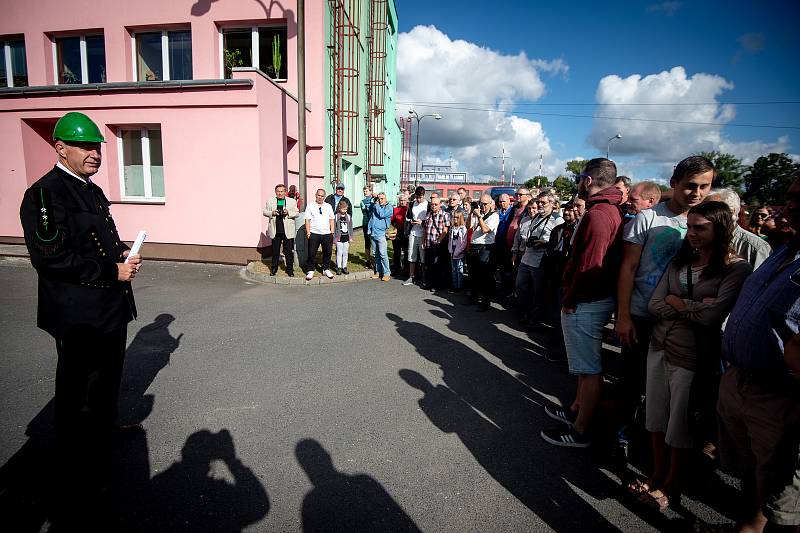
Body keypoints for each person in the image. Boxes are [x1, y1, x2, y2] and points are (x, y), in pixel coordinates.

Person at [19, 112, 142, 441]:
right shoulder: (45, 194)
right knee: (78, 385)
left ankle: (104, 431)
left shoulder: (91, 189)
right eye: (85, 147)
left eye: (98, 148)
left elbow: (99, 239)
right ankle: (76, 453)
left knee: (108, 377)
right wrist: (113, 270)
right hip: (78, 314)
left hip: (109, 307)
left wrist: (122, 253)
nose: (95, 154)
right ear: (60, 148)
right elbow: (51, 258)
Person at [630, 202, 751, 511]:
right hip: (659, 347)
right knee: (655, 417)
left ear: (721, 229)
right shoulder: (680, 262)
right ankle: (657, 474)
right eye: (691, 227)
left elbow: (713, 316)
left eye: (701, 228)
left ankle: (672, 484)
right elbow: (654, 305)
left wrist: (680, 303)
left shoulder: (735, 268)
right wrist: (692, 305)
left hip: (692, 356)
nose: (692, 233)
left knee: (679, 424)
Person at [715, 175, 800, 533]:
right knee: (751, 470)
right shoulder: (785, 248)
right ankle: (748, 526)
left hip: (781, 394)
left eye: (798, 199)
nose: (788, 205)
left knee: (784, 495)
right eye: (789, 197)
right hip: (741, 378)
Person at [614, 155, 715, 442]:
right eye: (690, 186)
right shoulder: (648, 217)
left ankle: (653, 443)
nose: (696, 193)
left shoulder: (705, 222)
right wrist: (623, 315)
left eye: (704, 187)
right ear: (674, 183)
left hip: (683, 321)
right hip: (642, 316)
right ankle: (617, 437)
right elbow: (628, 268)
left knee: (669, 389)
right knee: (632, 382)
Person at [540, 158, 624, 448]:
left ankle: (580, 429)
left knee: (589, 370)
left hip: (587, 301)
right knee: (583, 367)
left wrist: (571, 298)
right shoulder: (606, 209)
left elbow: (591, 264)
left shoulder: (599, 214)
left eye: (580, 179)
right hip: (590, 299)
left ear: (588, 181)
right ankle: (575, 408)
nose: (578, 184)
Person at [512, 190, 563, 327]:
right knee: (520, 287)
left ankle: (534, 320)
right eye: (539, 202)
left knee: (538, 293)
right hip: (526, 257)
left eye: (543, 202)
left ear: (552, 203)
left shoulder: (557, 220)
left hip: (541, 261)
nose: (540, 205)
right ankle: (525, 313)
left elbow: (558, 244)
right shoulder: (536, 217)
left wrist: (544, 243)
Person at [705, 188, 772, 270]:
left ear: (731, 212)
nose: (704, 213)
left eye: (711, 209)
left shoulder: (756, 247)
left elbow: (758, 280)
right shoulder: (697, 238)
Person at [467, 194, 500, 311]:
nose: (483, 206)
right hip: (474, 245)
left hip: (485, 247)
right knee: (473, 274)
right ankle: (473, 298)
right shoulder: (478, 213)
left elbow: (486, 230)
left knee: (485, 276)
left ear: (491, 204)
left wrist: (479, 216)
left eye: (485, 204)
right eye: (481, 203)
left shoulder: (494, 216)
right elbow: (468, 227)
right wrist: (472, 213)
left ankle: (485, 302)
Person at [263, 183, 299, 276]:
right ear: (275, 192)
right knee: (275, 252)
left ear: (285, 192)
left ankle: (290, 270)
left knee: (288, 252)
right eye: (278, 191)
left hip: (287, 230)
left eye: (282, 191)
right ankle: (273, 269)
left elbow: (297, 213)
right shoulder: (270, 201)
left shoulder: (291, 201)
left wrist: (288, 212)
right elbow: (264, 212)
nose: (280, 193)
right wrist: (272, 213)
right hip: (276, 230)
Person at [304, 189, 335, 280]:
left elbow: (331, 219)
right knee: (312, 253)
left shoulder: (328, 206)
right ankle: (310, 270)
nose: (320, 197)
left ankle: (326, 269)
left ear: (324, 197)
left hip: (326, 233)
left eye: (322, 196)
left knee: (328, 252)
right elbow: (307, 220)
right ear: (316, 195)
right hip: (314, 233)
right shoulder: (310, 206)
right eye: (318, 195)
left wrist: (332, 232)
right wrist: (308, 232)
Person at [422, 196, 450, 291]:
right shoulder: (428, 214)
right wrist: (423, 241)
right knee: (429, 265)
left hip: (438, 245)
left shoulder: (445, 215)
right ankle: (429, 283)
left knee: (437, 265)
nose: (433, 206)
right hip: (429, 243)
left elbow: (446, 230)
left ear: (440, 205)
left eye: (435, 204)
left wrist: (439, 241)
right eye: (432, 204)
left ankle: (436, 285)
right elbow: (425, 229)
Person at [403, 186, 429, 286]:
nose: (418, 199)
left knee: (423, 257)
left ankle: (423, 277)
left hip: (423, 234)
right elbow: (408, 218)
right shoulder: (412, 204)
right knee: (411, 255)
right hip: (413, 233)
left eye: (420, 197)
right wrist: (411, 222)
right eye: (417, 197)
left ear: (424, 195)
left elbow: (430, 219)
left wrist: (422, 222)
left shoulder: (428, 205)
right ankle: (411, 276)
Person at [368, 192, 393, 281]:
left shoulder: (389, 207)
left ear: (386, 199)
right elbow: (372, 217)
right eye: (379, 199)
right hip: (373, 233)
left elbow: (382, 214)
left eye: (382, 198)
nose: (380, 200)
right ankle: (378, 272)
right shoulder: (376, 206)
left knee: (383, 254)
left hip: (381, 234)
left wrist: (377, 205)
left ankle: (386, 273)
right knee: (376, 254)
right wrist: (369, 229)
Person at [494, 193, 516, 296]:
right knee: (501, 269)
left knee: (508, 270)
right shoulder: (498, 212)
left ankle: (508, 290)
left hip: (508, 246)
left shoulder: (513, 212)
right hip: (498, 245)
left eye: (504, 201)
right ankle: (502, 288)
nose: (502, 203)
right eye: (500, 201)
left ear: (509, 201)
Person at [448, 210, 468, 293]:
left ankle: (459, 287)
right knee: (453, 269)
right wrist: (450, 249)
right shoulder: (452, 227)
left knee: (460, 270)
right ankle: (454, 285)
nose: (455, 219)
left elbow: (464, 242)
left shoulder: (463, 228)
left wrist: (459, 251)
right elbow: (450, 239)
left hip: (459, 252)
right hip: (452, 251)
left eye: (457, 217)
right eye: (454, 217)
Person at [333, 199, 353, 275]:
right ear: (339, 208)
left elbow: (350, 227)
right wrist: (335, 238)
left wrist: (350, 237)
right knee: (339, 253)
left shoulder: (348, 216)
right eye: (343, 209)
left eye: (346, 209)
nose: (345, 210)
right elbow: (334, 228)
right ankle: (339, 267)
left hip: (346, 238)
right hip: (339, 238)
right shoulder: (336, 216)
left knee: (345, 253)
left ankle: (344, 267)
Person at [391, 193, 409, 276]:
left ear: (407, 201)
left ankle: (406, 268)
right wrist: (395, 227)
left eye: (404, 200)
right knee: (396, 251)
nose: (402, 202)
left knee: (406, 251)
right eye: (401, 200)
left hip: (406, 232)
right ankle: (396, 268)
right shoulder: (395, 209)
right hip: (397, 232)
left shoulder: (408, 209)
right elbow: (392, 220)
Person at [359, 185, 375, 269]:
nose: (365, 192)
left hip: (374, 224)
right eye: (364, 191)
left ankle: (375, 259)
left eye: (367, 191)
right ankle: (368, 261)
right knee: (367, 242)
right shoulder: (362, 202)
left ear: (371, 191)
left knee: (374, 242)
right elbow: (364, 211)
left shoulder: (374, 200)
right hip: (365, 223)